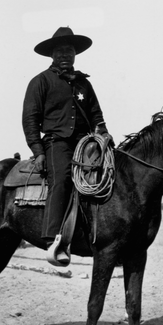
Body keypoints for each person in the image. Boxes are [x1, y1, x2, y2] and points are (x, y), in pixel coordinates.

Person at [22, 27, 112, 266]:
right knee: (61, 179)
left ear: (75, 54)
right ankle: (54, 240)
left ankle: (106, 236)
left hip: (85, 143)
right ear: (52, 54)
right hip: (56, 142)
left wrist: (103, 133)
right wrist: (38, 152)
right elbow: (30, 119)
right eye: (60, 51)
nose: (65, 55)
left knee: (106, 175)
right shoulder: (40, 81)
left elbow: (96, 115)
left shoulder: (84, 84)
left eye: (70, 51)